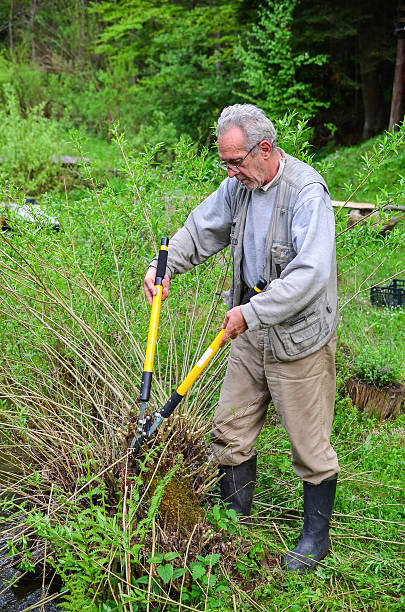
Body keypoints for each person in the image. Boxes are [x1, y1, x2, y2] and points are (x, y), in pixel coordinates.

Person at [144, 104, 339, 574]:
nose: (230, 173)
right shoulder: (239, 187)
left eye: (236, 162)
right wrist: (163, 268)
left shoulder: (306, 194)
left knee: (309, 445)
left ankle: (316, 538)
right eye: (224, 163)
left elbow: (310, 274)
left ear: (265, 149)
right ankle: (232, 519)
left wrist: (252, 312)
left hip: (298, 340)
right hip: (250, 332)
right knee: (229, 430)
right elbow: (199, 228)